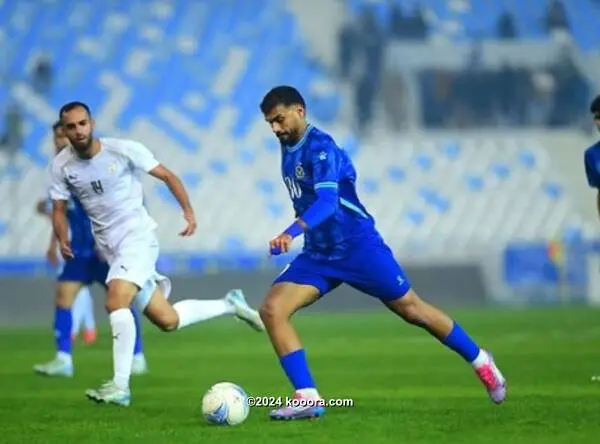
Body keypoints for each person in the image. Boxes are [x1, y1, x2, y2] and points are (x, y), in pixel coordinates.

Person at [258, 86, 507, 420]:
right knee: (273, 309)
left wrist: (291, 232)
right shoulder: (288, 148)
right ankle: (307, 396)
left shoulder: (321, 147)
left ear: (299, 111)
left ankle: (481, 361)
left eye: (279, 119)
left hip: (359, 247)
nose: (275, 128)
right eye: (270, 123)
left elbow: (329, 204)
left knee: (412, 309)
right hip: (319, 253)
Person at [48, 101, 264, 407]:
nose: (78, 130)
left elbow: (168, 176)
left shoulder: (122, 150)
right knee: (168, 320)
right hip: (111, 249)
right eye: (71, 126)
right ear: (65, 130)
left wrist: (188, 211)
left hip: (137, 239)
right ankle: (230, 304)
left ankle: (120, 386)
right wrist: (61, 236)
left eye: (82, 123)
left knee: (115, 301)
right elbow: (58, 208)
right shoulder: (61, 166)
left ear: (92, 122)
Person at [34, 121, 148, 377]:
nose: (61, 141)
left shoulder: (89, 165)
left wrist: (106, 239)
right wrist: (54, 244)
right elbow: (61, 214)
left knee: (121, 301)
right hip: (77, 250)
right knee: (63, 298)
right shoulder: (58, 171)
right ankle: (63, 359)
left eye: (64, 136)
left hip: (102, 248)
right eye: (57, 138)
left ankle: (137, 355)